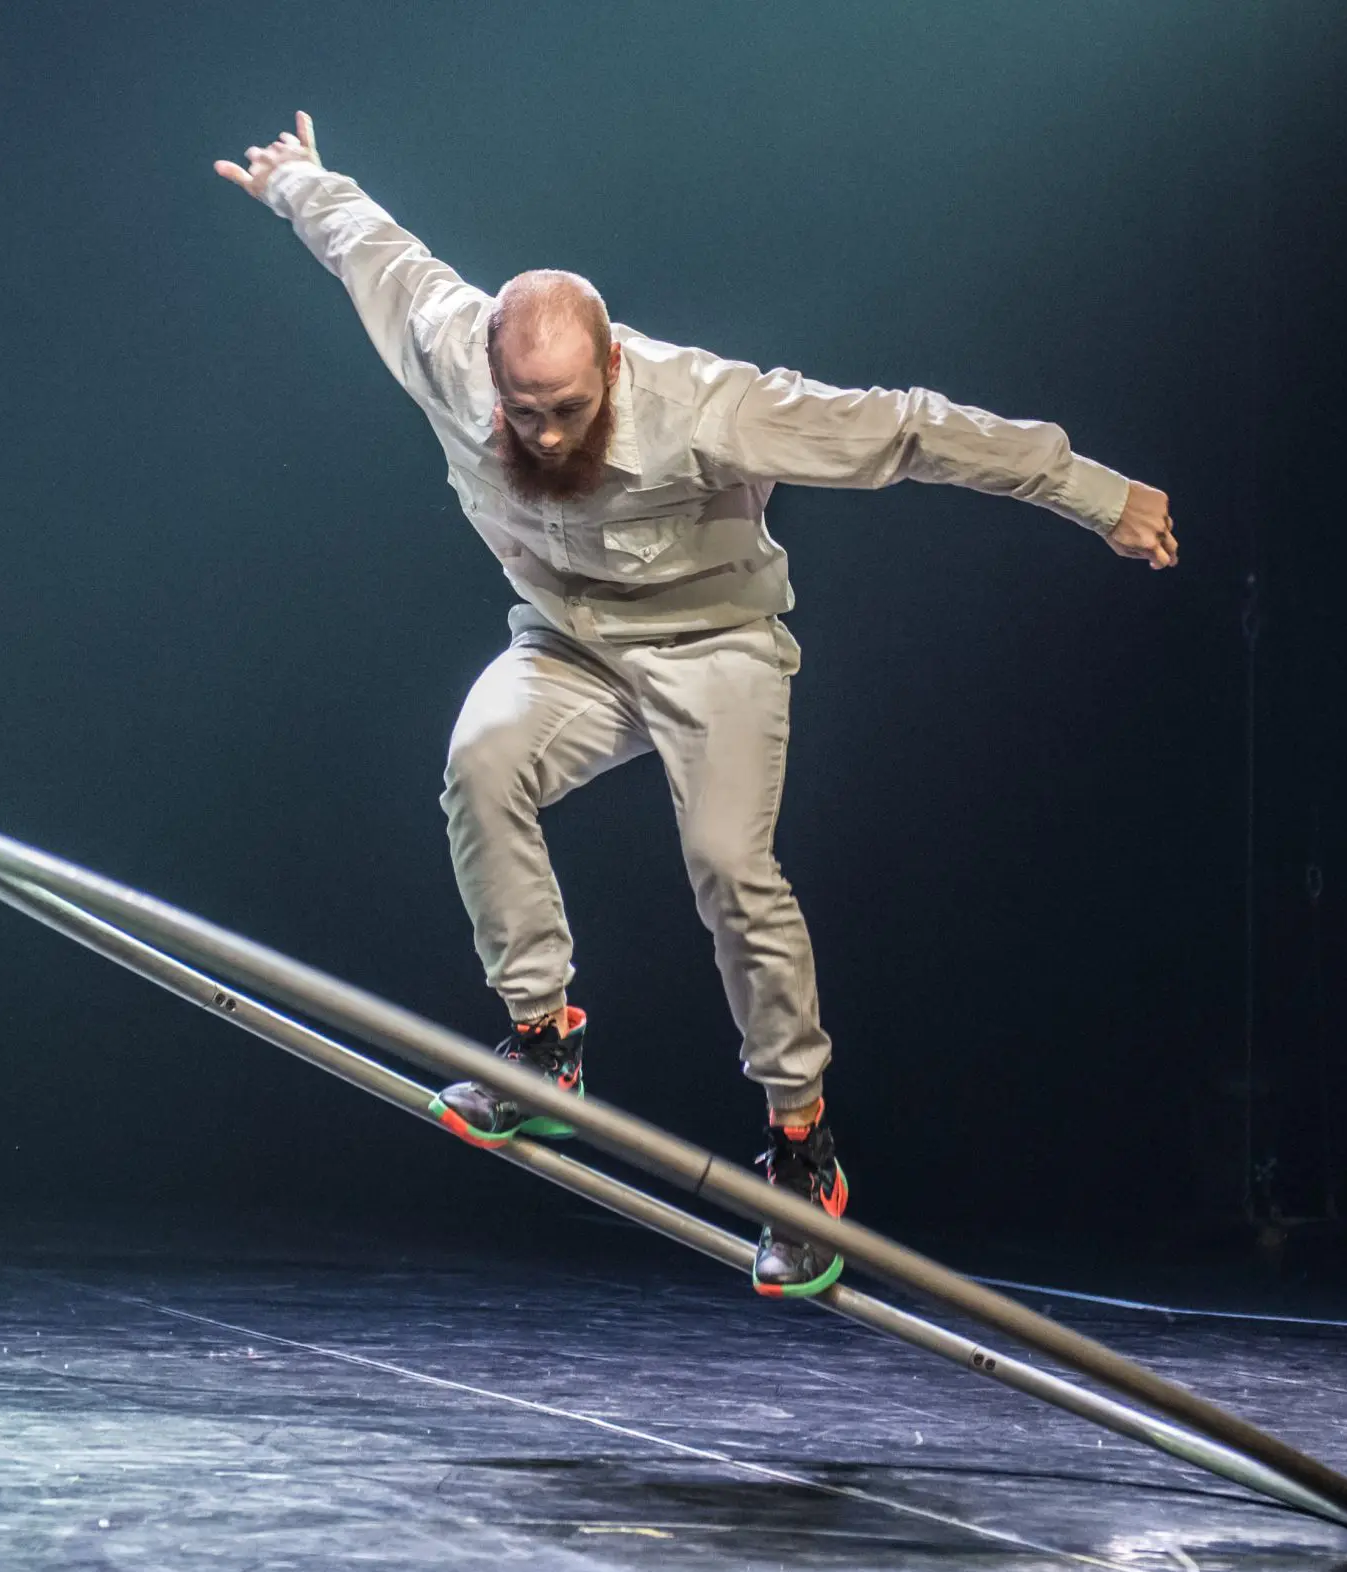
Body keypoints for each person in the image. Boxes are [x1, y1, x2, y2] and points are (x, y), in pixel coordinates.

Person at [216, 113, 1178, 1298]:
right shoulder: (448, 347)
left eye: (567, 408)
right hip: (569, 645)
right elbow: (372, 247)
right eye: (523, 410)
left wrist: (1091, 490)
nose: (544, 434)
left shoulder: (709, 404)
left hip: (715, 646)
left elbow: (907, 430)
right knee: (480, 761)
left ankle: (799, 1141)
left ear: (612, 369)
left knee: (728, 864)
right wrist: (298, 181)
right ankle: (542, 1047)